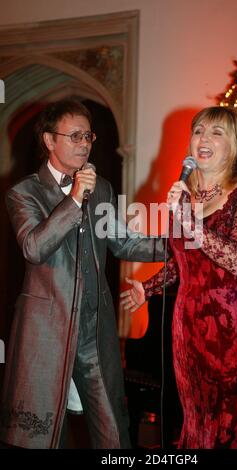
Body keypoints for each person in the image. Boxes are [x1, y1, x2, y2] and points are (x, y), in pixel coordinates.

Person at [0, 99, 166, 449]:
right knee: (42, 437)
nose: (85, 144)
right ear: (49, 140)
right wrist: (74, 200)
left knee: (113, 433)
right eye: (74, 136)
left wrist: (181, 245)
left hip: (95, 330)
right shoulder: (23, 193)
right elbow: (34, 247)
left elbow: (123, 242)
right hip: (47, 332)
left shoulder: (101, 188)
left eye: (88, 136)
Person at [120, 106, 237, 449]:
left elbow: (235, 258)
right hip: (186, 327)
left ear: (236, 144)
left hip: (230, 330)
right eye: (199, 131)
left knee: (227, 425)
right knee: (194, 422)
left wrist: (188, 220)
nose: (204, 138)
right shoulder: (186, 194)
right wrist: (148, 287)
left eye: (217, 133)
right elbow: (182, 262)